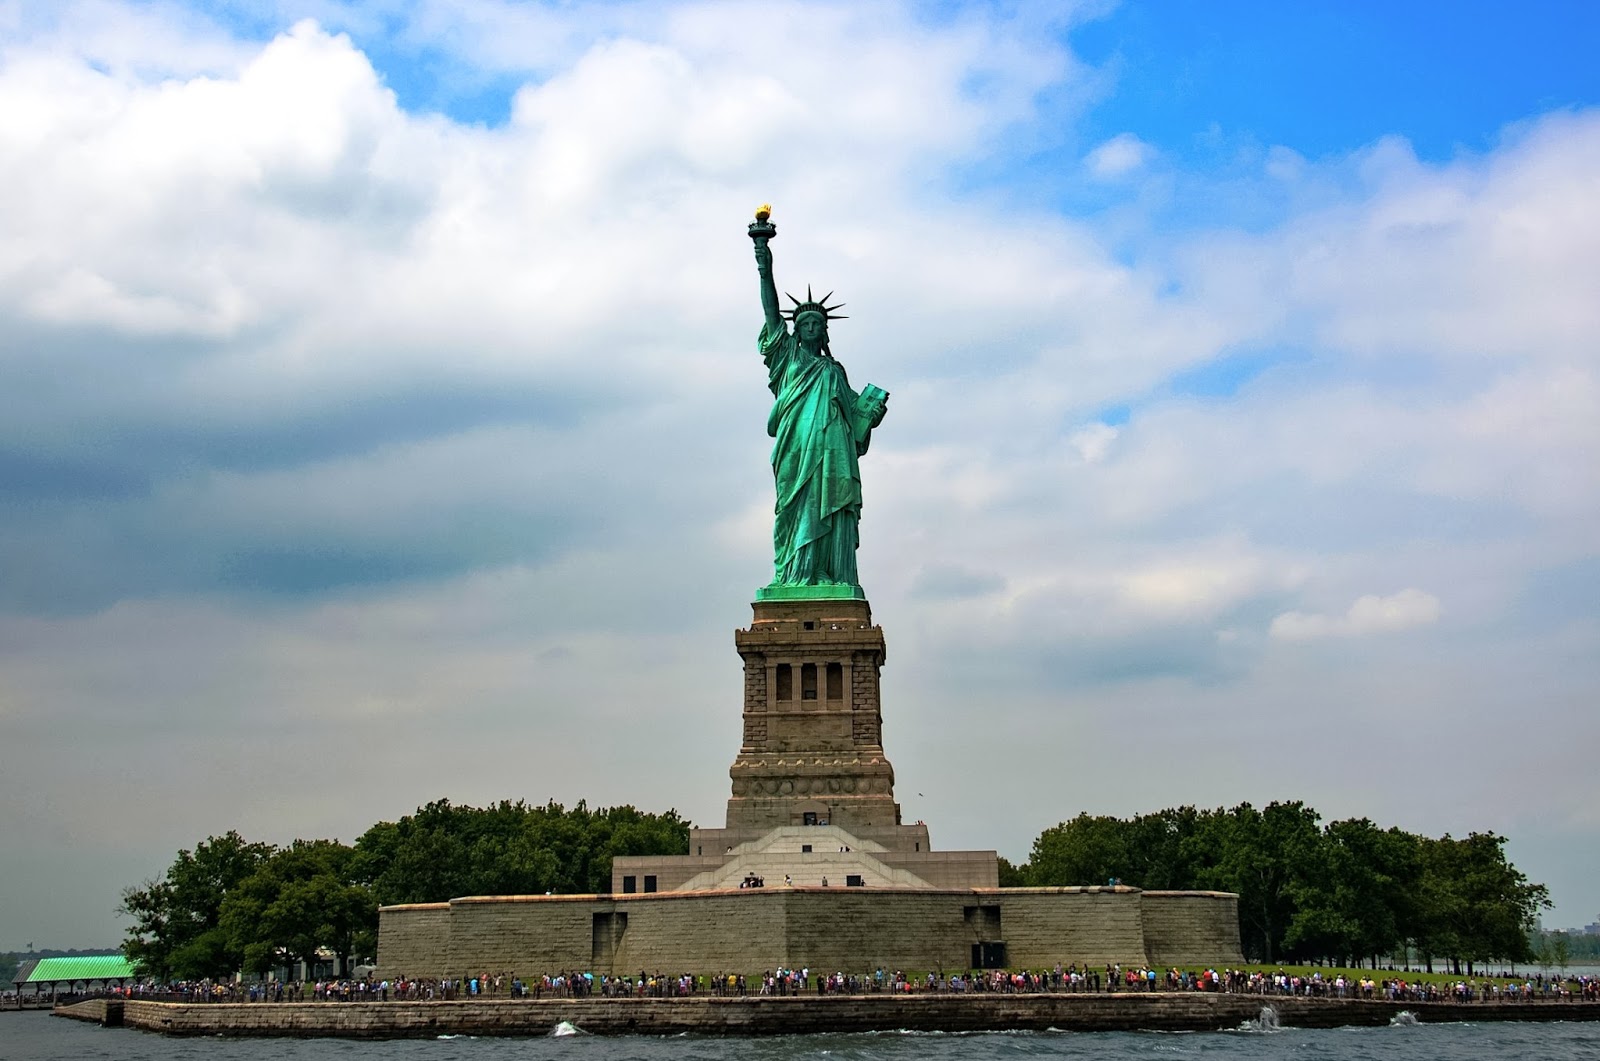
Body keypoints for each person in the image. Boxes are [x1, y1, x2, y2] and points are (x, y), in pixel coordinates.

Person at [752, 224, 888, 590]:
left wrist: (871, 413)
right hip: (796, 447)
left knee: (830, 503)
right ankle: (794, 574)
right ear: (795, 329)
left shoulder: (833, 370)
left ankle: (826, 571)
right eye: (805, 322)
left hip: (833, 450)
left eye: (818, 323)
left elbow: (855, 419)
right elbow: (769, 309)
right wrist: (763, 258)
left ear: (825, 331)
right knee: (795, 507)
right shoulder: (786, 358)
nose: (811, 326)